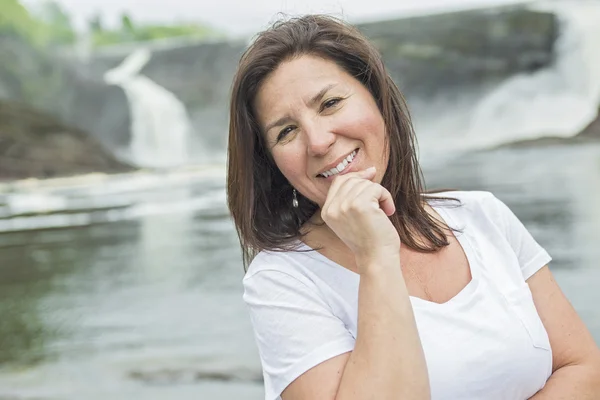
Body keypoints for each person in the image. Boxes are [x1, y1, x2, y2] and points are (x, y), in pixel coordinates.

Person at [226, 15, 600, 400]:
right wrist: (375, 256)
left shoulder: (482, 216)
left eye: (331, 103)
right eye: (286, 131)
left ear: (378, 99)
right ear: (270, 162)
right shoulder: (281, 279)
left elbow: (582, 367)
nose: (318, 142)